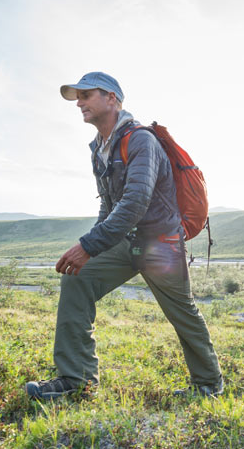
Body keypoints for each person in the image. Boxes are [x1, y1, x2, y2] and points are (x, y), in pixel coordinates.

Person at [25, 72, 225, 400]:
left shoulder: (141, 140)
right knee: (77, 278)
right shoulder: (99, 148)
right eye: (78, 97)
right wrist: (90, 246)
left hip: (161, 245)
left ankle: (208, 386)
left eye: (87, 95)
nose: (79, 102)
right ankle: (77, 381)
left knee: (182, 314)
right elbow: (109, 206)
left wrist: (88, 245)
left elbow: (135, 201)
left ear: (113, 99)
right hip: (126, 240)